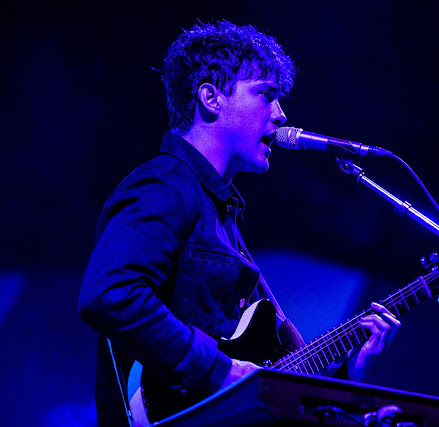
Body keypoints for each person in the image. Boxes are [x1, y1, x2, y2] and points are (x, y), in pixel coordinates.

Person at [78, 20, 400, 426]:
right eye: (266, 94)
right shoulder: (163, 187)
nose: (281, 114)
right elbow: (109, 293)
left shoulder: (222, 214)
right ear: (211, 98)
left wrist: (351, 375)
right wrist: (219, 371)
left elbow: (275, 371)